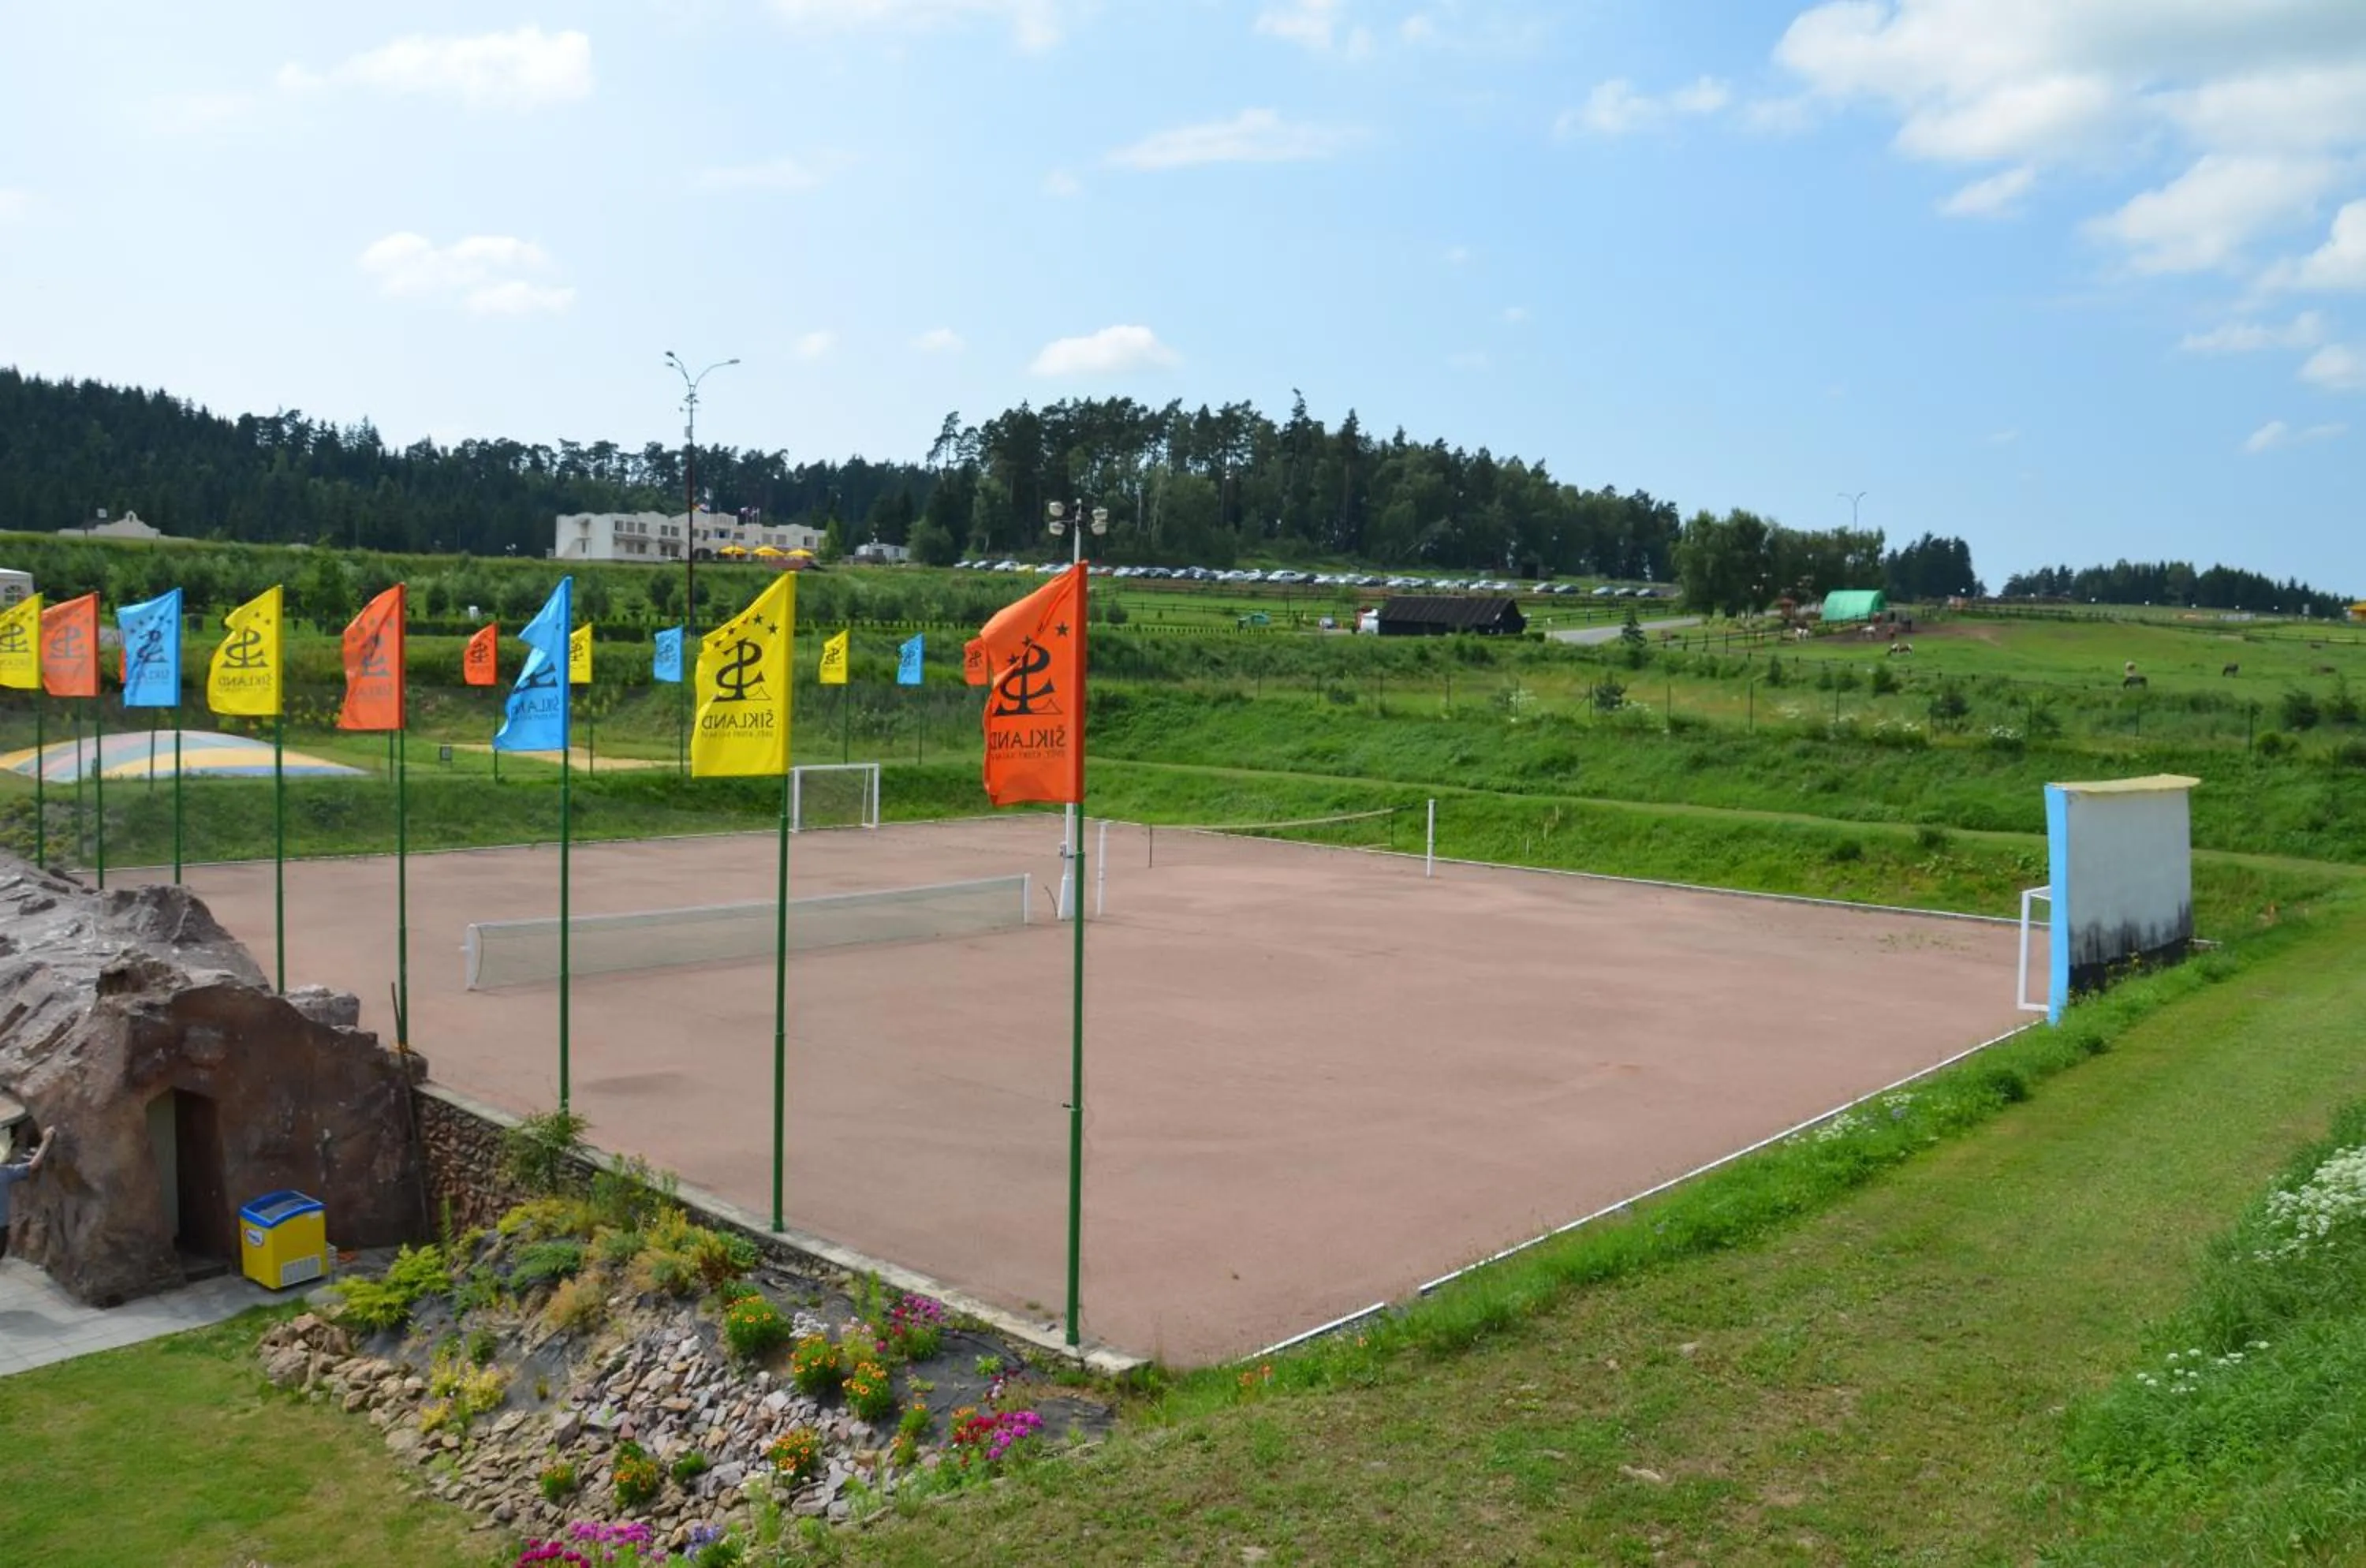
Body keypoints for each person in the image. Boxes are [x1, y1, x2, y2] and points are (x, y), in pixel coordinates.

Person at [0, 1124, 57, 1261]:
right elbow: (33, 1165)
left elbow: (33, 1166)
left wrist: (46, 1142)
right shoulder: (4, 1172)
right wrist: (47, 1141)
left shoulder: (4, 1172)